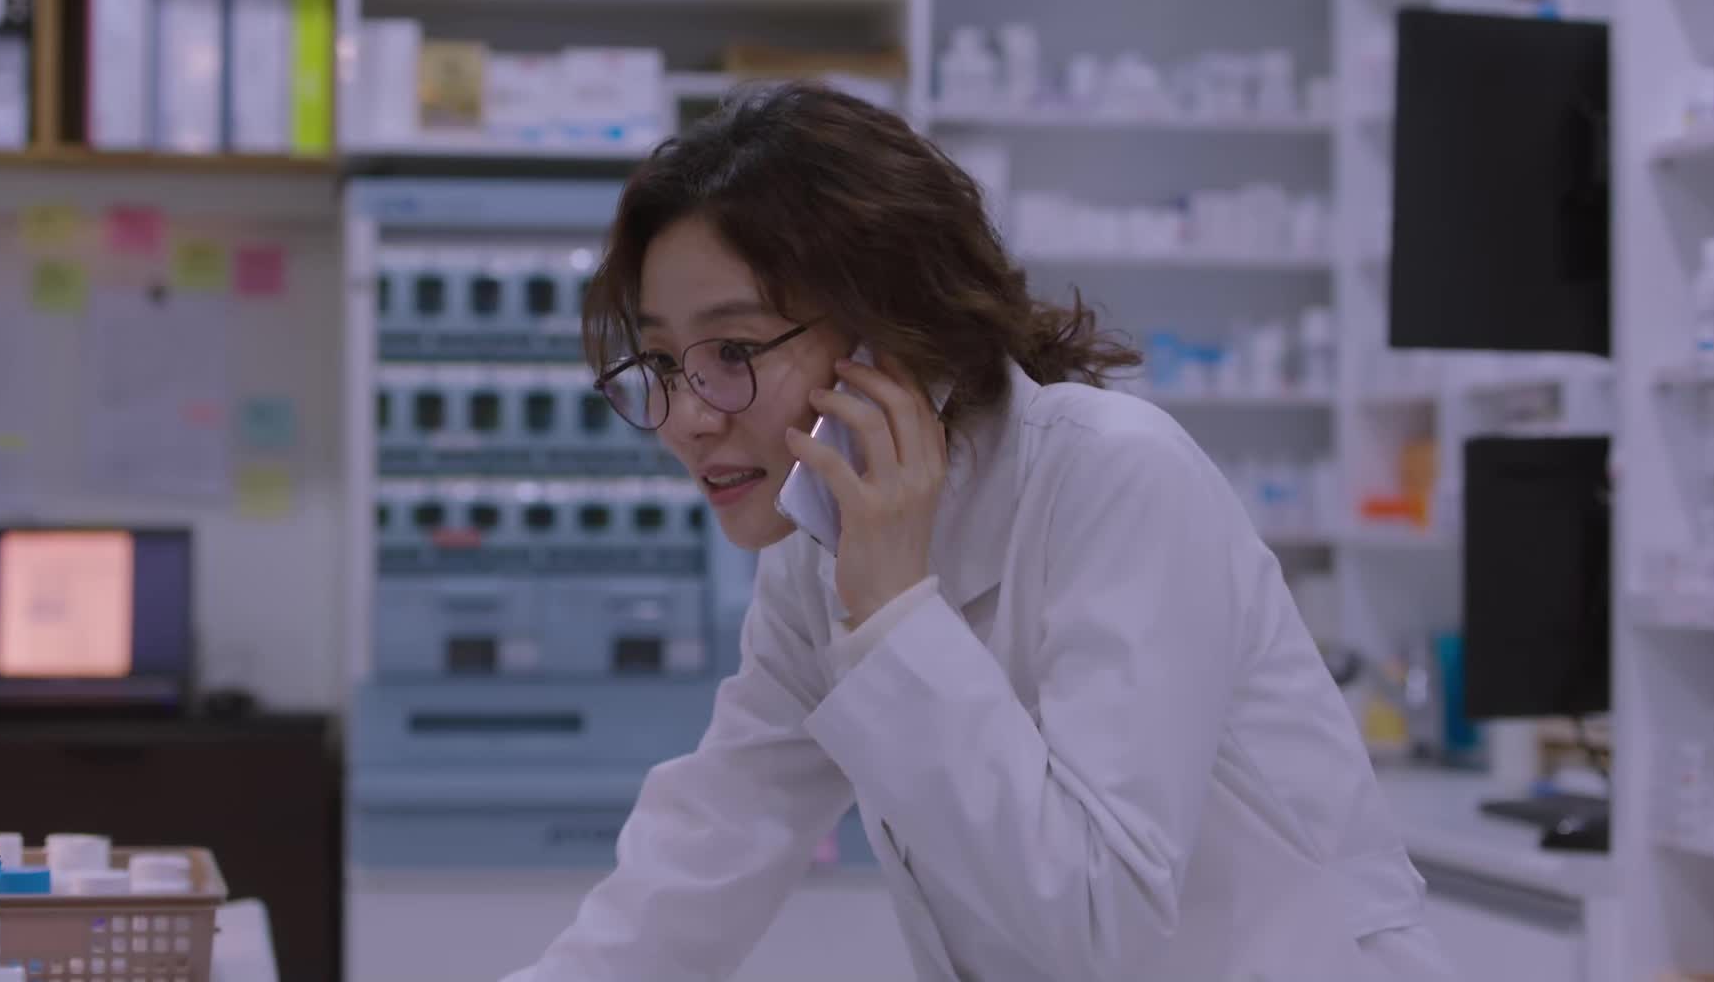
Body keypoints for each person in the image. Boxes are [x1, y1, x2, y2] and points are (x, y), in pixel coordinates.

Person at [505, 83, 1456, 981]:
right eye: (662, 362)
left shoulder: (1114, 475)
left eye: (734, 350)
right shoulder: (817, 553)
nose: (685, 417)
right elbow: (707, 850)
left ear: (885, 332)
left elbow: (1099, 918)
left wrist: (894, 614)